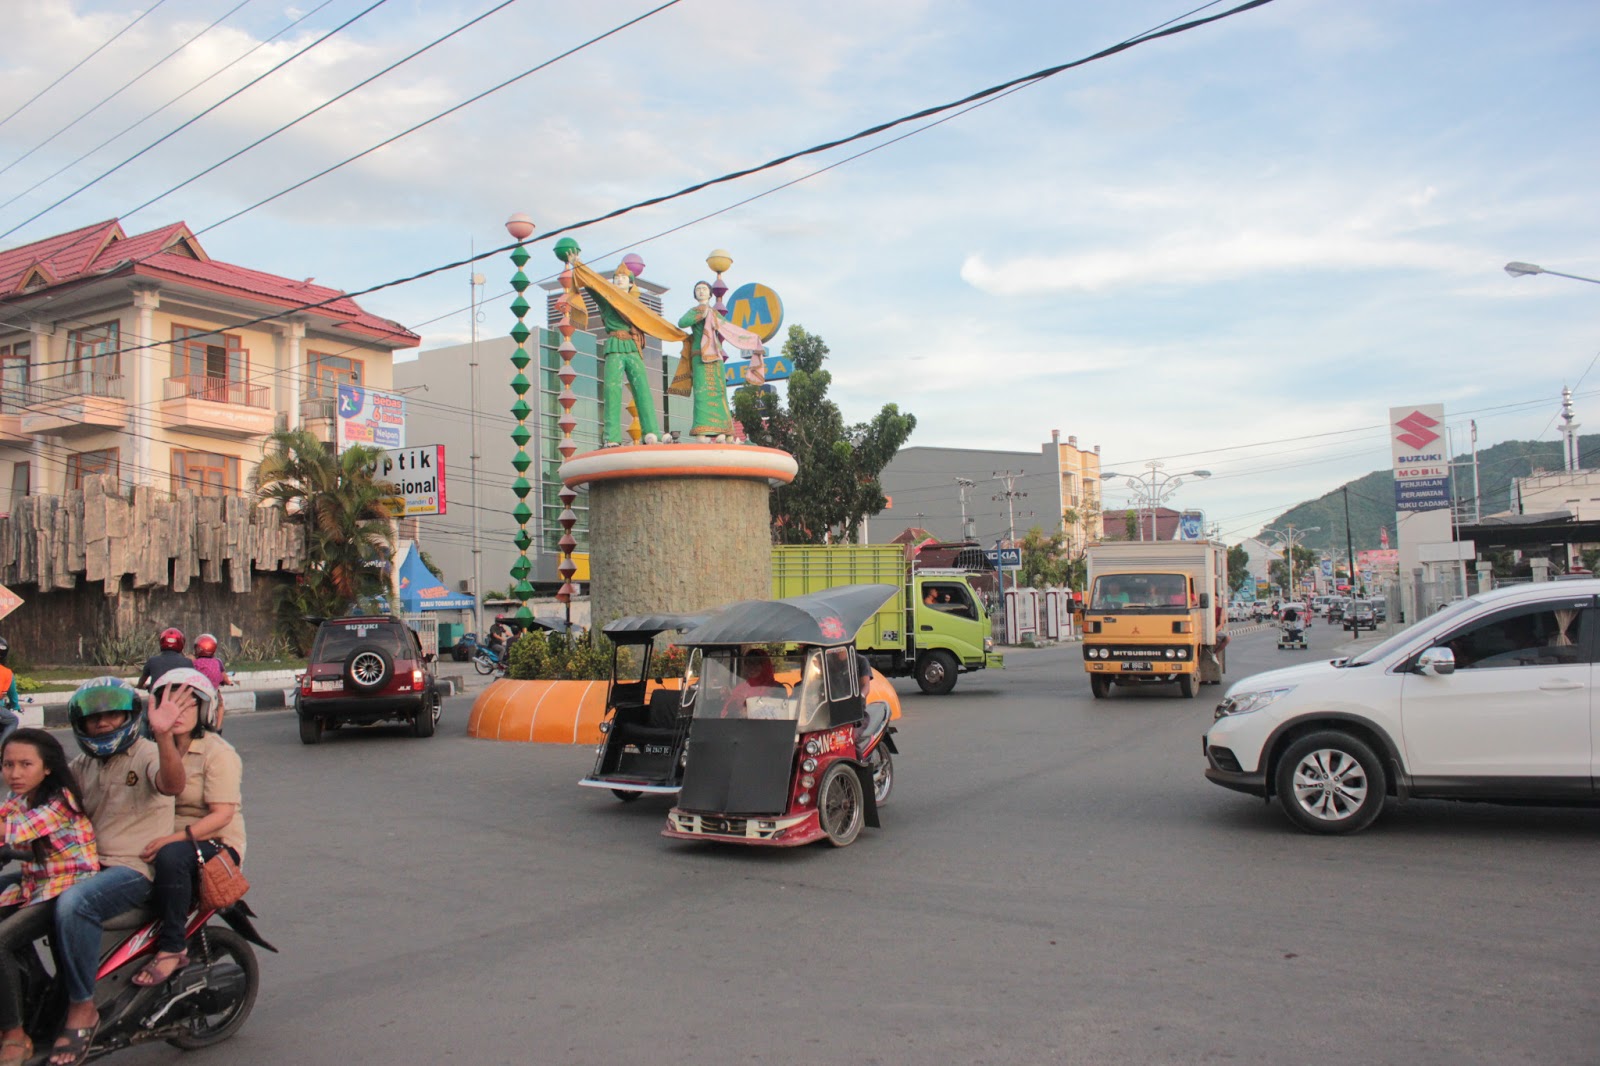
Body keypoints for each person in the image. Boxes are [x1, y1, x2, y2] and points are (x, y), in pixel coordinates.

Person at [48, 677, 187, 1066]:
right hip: (89, 866)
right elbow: (51, 811)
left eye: (112, 715)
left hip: (134, 869)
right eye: (94, 719)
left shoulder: (145, 753)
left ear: (129, 717)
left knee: (74, 905)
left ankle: (82, 1008)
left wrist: (163, 737)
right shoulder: (82, 765)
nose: (103, 724)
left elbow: (173, 784)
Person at [132, 669, 245, 988]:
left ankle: (172, 947)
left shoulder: (218, 753)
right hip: (164, 839)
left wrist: (173, 838)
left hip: (215, 844)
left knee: (171, 857)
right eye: (169, 705)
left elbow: (221, 815)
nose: (177, 714)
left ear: (204, 711)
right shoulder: (150, 750)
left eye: (187, 706)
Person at [0, 730, 98, 1066]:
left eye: (25, 764)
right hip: (35, 883)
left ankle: (14, 1034)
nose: (15, 772)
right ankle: (32, 991)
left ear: (46, 768)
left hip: (65, 888)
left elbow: (17, 831)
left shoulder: (61, 801)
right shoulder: (18, 799)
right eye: (8, 764)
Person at [669, 280, 765, 439]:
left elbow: (730, 330)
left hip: (715, 357)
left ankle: (725, 430)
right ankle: (702, 429)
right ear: (695, 294)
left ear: (710, 293)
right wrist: (701, 313)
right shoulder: (695, 311)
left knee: (720, 393)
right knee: (701, 393)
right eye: (698, 289)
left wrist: (751, 338)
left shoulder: (715, 314)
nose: (701, 291)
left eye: (704, 289)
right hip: (699, 356)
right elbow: (682, 322)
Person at [721, 650, 784, 717]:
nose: (751, 667)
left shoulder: (777, 688)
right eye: (747, 663)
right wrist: (739, 711)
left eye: (756, 663)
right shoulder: (740, 689)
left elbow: (783, 713)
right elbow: (727, 715)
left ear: (765, 665)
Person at [0, 640, 18, 749]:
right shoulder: (6, 672)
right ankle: (1, 748)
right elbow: (12, 694)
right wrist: (16, 705)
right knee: (13, 720)